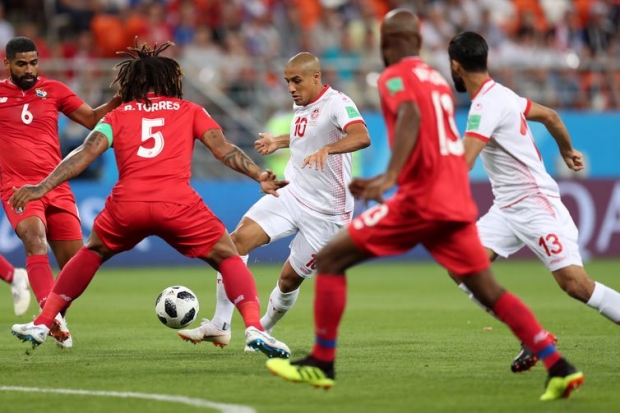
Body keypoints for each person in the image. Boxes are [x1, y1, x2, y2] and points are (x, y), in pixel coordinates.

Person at [265, 9, 584, 401]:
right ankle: (557, 364)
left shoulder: (392, 76)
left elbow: (412, 116)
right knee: (486, 288)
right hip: (454, 198)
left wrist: (389, 176)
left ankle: (322, 362)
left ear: (389, 45)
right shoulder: (435, 78)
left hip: (420, 199)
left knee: (331, 259)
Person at [8, 41, 291, 359]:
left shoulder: (118, 115)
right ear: (170, 81)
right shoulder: (190, 110)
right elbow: (224, 149)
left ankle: (44, 322)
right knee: (227, 256)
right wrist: (258, 175)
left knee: (92, 252)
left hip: (127, 205)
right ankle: (254, 328)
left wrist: (42, 187)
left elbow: (84, 153)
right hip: (178, 203)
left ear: (133, 83)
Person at [447, 31, 620, 373]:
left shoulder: (484, 105)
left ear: (455, 66)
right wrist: (567, 150)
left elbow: (465, 160)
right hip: (507, 208)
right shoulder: (504, 95)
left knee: (575, 285)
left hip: (535, 203)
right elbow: (552, 116)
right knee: (462, 268)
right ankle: (532, 336)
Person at [177, 52, 370, 348]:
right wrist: (278, 141)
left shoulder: (339, 103)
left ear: (316, 77)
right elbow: (305, 134)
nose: (291, 88)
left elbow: (361, 135)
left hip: (328, 214)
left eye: (296, 81)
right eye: (287, 82)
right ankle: (220, 324)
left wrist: (328, 150)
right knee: (235, 241)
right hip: (292, 192)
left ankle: (261, 328)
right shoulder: (303, 103)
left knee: (289, 280)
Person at [0, 36, 123, 347]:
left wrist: (120, 99)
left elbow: (92, 119)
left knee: (74, 266)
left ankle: (55, 315)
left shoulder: (53, 90)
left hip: (54, 184)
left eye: (33, 63)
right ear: (7, 64)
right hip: (16, 186)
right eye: (21, 64)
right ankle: (49, 319)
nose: (28, 69)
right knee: (33, 237)